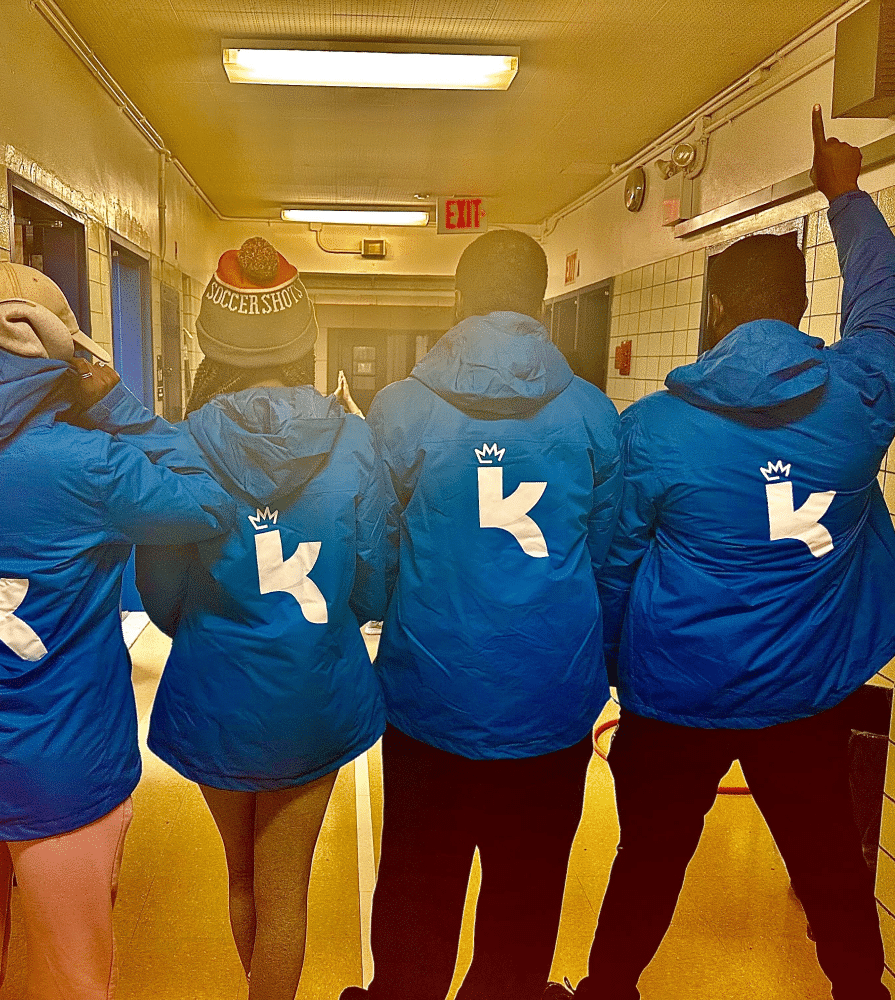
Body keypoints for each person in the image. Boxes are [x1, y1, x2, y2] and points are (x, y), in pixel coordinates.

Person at [570, 106, 895, 1000]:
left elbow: (613, 566)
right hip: (807, 697)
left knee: (647, 863)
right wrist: (847, 198)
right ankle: (863, 992)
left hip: (676, 696)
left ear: (714, 311)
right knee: (832, 872)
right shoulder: (861, 400)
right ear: (801, 309)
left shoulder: (655, 428)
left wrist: (609, 671)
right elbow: (883, 313)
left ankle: (609, 989)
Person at [0, 263, 236, 1000]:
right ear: (66, 353)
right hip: (71, 771)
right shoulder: (93, 464)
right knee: (72, 982)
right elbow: (212, 503)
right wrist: (117, 406)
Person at [342, 229, 622, 1000]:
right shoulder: (593, 415)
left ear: (457, 300)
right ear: (541, 304)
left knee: (416, 883)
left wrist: (395, 607)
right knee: (526, 898)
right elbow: (605, 555)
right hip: (551, 700)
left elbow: (375, 548)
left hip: (431, 695)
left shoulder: (399, 410)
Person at [137, 237, 390, 1000]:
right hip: (313, 698)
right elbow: (375, 584)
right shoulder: (355, 440)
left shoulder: (181, 444)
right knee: (287, 896)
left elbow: (160, 591)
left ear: (211, 343)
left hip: (217, 695)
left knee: (240, 878)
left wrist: (215, 628)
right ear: (302, 341)